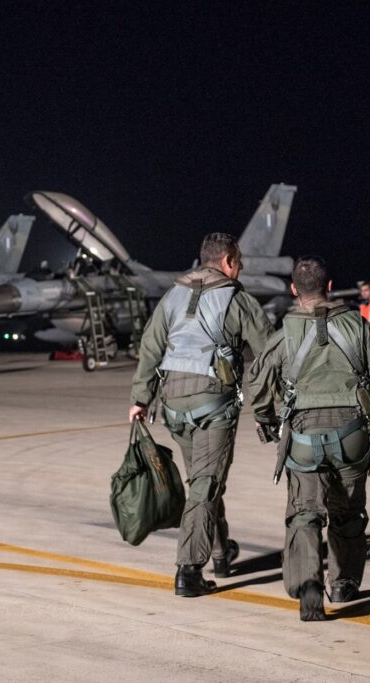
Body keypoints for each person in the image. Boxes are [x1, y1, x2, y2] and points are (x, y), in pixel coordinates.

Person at [247, 256, 370, 621]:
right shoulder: (358, 325)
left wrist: (265, 418)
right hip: (351, 433)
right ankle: (343, 583)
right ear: (329, 286)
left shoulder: (284, 333)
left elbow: (258, 381)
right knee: (348, 512)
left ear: (293, 290)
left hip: (304, 437)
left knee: (304, 514)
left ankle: (309, 584)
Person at [129, 233, 273, 597]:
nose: (240, 269)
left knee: (202, 481)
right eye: (239, 262)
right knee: (206, 484)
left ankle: (221, 553)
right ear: (227, 261)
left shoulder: (172, 295)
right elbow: (269, 355)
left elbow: (151, 345)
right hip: (213, 406)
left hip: (173, 405)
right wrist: (266, 407)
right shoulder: (236, 298)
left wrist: (140, 398)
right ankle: (188, 569)